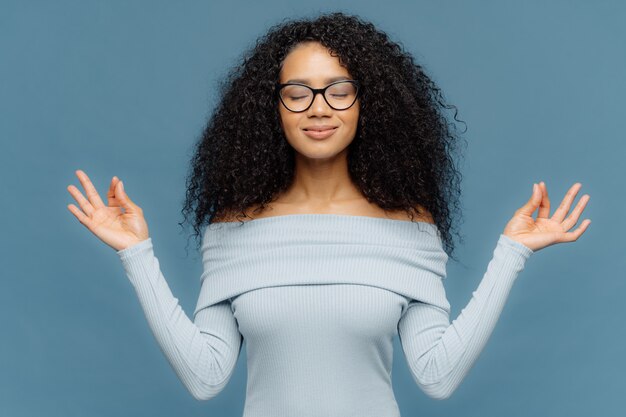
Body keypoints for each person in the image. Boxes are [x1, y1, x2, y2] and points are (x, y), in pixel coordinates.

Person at [66, 12, 591, 417]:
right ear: (271, 109)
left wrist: (512, 252)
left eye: (339, 91)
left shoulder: (410, 229)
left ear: (369, 104)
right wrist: (137, 254)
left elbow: (438, 375)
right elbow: (205, 378)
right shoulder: (233, 230)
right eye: (298, 93)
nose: (319, 107)